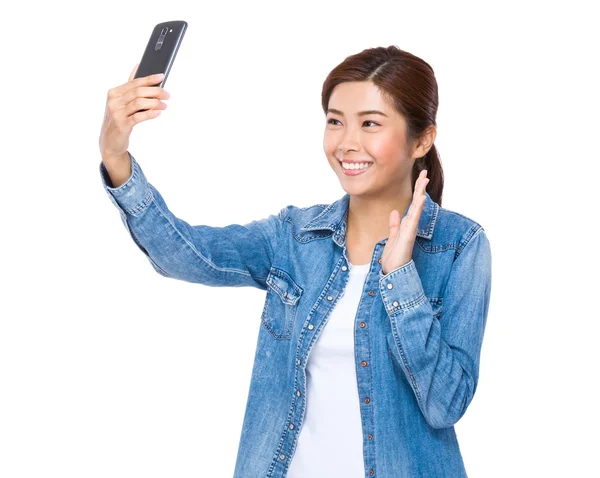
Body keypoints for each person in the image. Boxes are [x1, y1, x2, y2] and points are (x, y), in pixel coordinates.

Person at [98, 45, 492, 478]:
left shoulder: (459, 246)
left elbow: (445, 405)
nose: (347, 143)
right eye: (335, 121)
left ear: (422, 139)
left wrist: (399, 276)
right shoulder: (295, 237)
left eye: (370, 124)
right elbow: (186, 255)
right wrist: (116, 158)